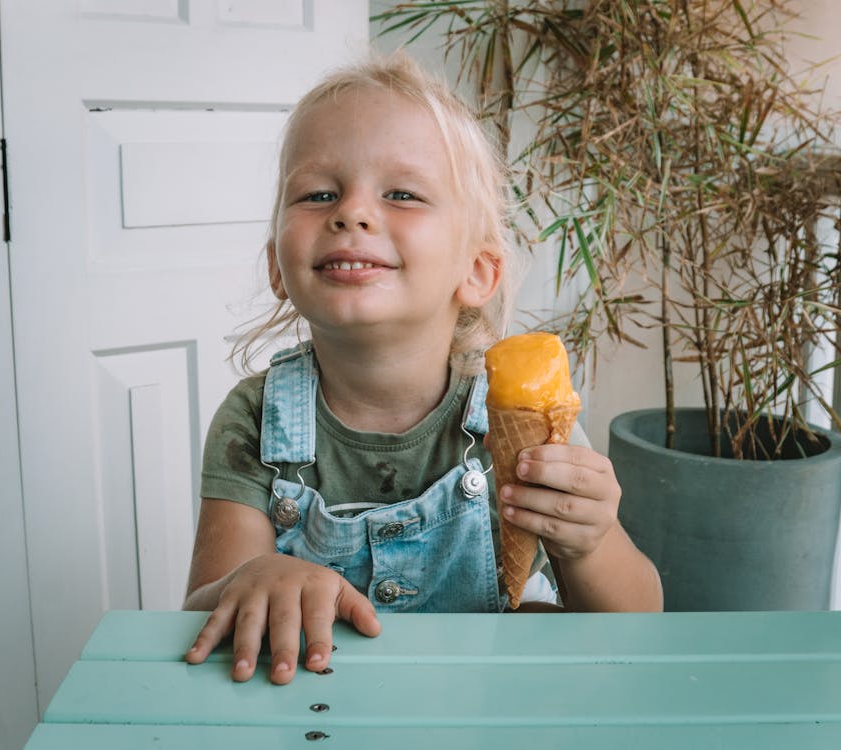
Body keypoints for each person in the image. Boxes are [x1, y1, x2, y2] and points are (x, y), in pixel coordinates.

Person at [182, 51, 663, 685]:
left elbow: (639, 619)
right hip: (319, 716)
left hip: (491, 712)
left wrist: (591, 542)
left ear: (477, 271)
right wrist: (251, 579)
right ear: (277, 265)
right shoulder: (253, 420)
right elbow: (197, 615)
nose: (351, 212)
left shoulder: (518, 416)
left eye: (402, 194)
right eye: (318, 193)